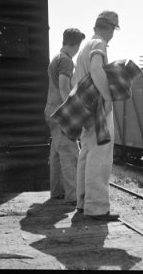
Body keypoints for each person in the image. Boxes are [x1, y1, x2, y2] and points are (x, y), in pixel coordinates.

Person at [74, 11, 120, 220]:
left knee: (86, 154)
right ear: (110, 28)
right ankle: (98, 208)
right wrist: (108, 97)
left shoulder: (85, 46)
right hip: (98, 107)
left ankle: (83, 203)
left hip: (84, 107)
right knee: (100, 156)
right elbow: (96, 69)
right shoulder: (99, 44)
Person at [44, 28, 85, 204]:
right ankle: (73, 196)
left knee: (56, 153)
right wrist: (72, 111)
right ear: (76, 45)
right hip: (61, 112)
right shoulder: (67, 61)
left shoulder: (56, 58)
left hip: (50, 111)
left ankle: (57, 192)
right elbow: (63, 87)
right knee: (70, 153)